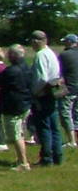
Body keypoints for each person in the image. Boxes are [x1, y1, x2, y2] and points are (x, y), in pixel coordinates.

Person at [29, 30, 65, 166]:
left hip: (43, 94)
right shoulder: (51, 53)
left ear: (36, 41)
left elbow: (42, 78)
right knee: (54, 127)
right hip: (53, 93)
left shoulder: (40, 55)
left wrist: (34, 93)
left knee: (44, 128)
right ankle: (58, 156)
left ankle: (46, 158)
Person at [0, 45, 35, 172]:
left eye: (9, 54)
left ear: (13, 55)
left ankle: (23, 163)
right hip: (25, 104)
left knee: (15, 135)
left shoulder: (11, 71)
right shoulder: (26, 67)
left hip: (13, 107)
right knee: (20, 132)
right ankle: (20, 159)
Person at [60, 34, 78, 149]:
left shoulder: (64, 55)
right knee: (76, 114)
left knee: (65, 113)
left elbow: (59, 72)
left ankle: (71, 140)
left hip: (69, 88)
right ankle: (75, 138)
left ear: (69, 42)